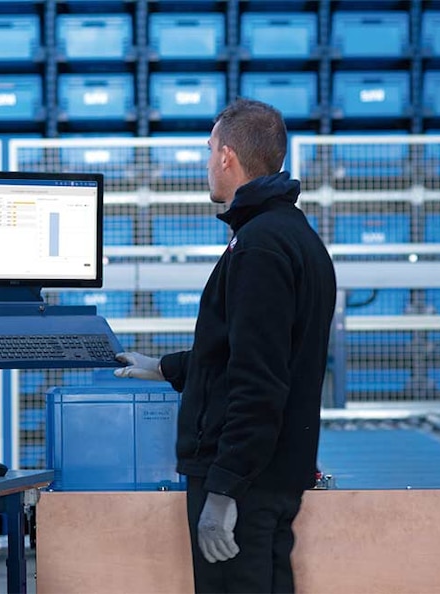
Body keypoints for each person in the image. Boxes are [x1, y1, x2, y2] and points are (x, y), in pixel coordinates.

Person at [114, 98, 337, 594]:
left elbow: (259, 380)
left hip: (246, 486)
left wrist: (224, 489)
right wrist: (165, 368)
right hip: (271, 476)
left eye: (210, 149)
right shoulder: (293, 236)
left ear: (227, 157)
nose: (207, 161)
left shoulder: (259, 245)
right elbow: (248, 353)